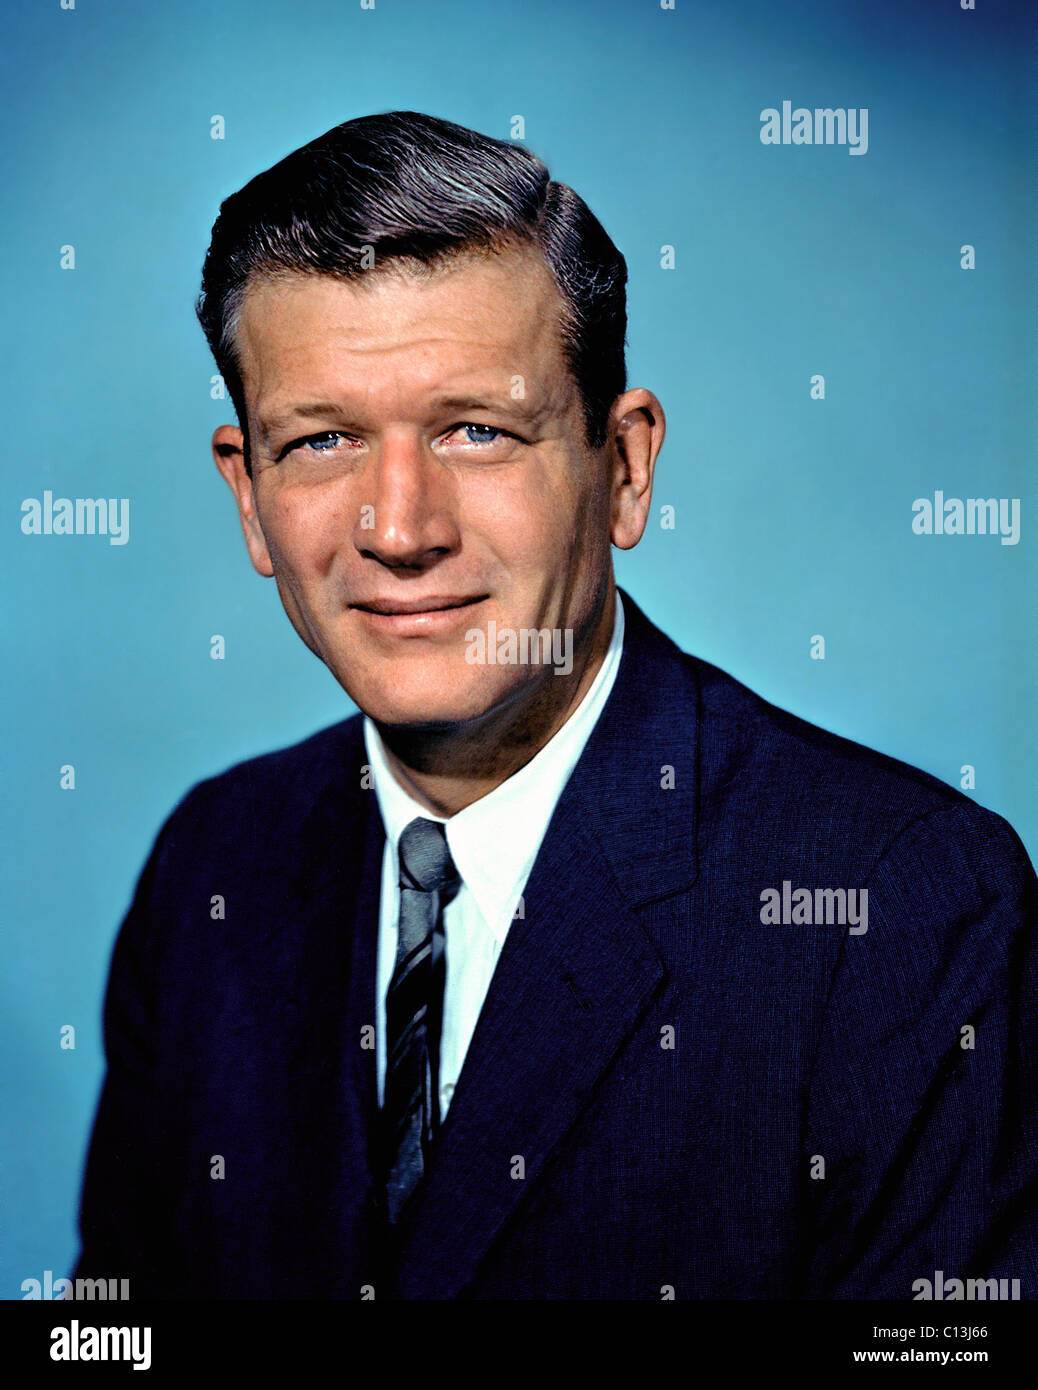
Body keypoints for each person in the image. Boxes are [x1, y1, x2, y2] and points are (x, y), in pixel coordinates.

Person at [75, 110, 1038, 1300]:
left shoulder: (903, 907)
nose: (399, 530)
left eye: (477, 430)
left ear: (624, 468)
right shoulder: (211, 866)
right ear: (248, 491)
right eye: (322, 441)